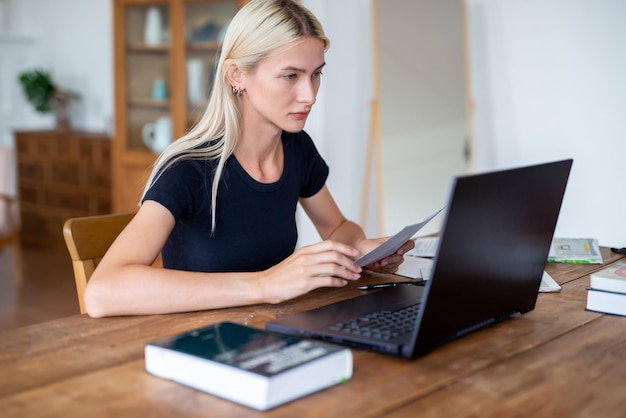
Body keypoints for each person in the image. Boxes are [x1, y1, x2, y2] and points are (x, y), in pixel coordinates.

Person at [84, 0, 414, 318]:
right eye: (290, 76)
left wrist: (362, 251)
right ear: (237, 76)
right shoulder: (188, 169)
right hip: (202, 348)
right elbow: (103, 292)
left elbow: (337, 226)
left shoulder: (297, 148)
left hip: (272, 331)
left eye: (316, 74)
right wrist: (264, 284)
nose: (310, 95)